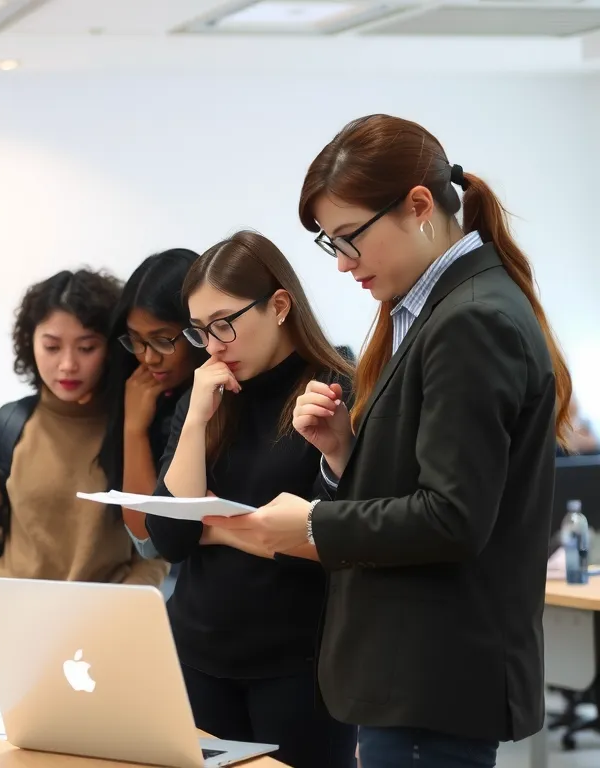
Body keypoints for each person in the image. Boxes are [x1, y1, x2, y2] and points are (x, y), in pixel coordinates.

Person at [206, 114, 572, 767]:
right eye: (331, 245)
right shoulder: (437, 310)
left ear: (419, 206)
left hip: (431, 674)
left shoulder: (471, 319)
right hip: (413, 676)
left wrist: (314, 525)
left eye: (350, 238)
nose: (345, 264)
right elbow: (431, 487)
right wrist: (345, 451)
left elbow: (453, 519)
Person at [146, 231, 356, 768]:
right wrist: (194, 419)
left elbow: (323, 537)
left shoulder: (333, 391)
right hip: (195, 653)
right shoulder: (208, 396)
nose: (213, 345)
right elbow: (170, 537)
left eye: (224, 323)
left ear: (279, 305)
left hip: (298, 664)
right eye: (199, 331)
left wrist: (211, 524)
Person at [0, 268, 169, 701]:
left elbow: (154, 552)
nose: (67, 364)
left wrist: (112, 618)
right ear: (30, 344)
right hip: (9, 642)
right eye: (51, 346)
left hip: (100, 645)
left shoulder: (138, 431)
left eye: (86, 347)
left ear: (111, 348)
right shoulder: (6, 428)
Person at [96, 248, 207, 571]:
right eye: (136, 340)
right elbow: (147, 539)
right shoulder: (140, 394)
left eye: (162, 340)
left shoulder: (219, 396)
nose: (148, 357)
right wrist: (134, 429)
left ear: (198, 331)